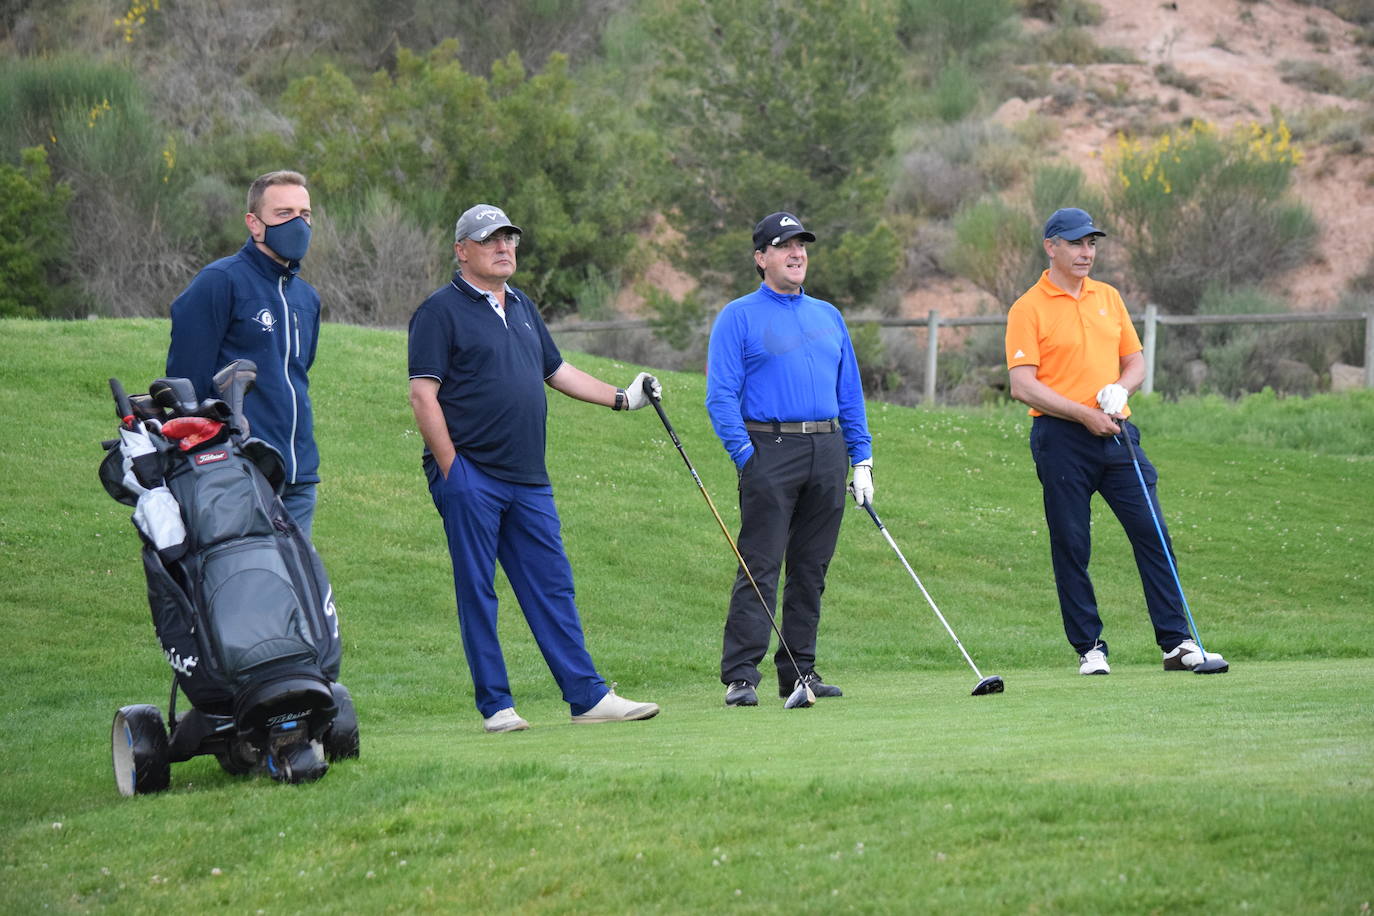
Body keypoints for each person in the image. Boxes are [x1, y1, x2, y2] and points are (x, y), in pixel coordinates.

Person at [407, 203, 661, 733]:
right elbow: (423, 394)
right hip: (471, 474)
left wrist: (623, 399)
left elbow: (557, 370)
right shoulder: (439, 311)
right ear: (462, 251)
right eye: (490, 240)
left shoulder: (521, 305)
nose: (504, 248)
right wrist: (454, 470)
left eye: (509, 240)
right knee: (478, 589)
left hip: (527, 477)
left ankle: (587, 696)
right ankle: (496, 705)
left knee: (552, 585)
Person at [1005, 207, 1219, 675]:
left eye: (1092, 244)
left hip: (1117, 433)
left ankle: (1177, 643)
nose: (1087, 252)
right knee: (1072, 543)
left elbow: (1136, 362)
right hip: (1061, 438)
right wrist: (1083, 413)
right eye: (1077, 243)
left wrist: (1122, 387)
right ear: (1051, 247)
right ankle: (1090, 649)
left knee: (1154, 535)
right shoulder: (1028, 307)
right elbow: (1023, 384)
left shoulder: (1109, 297)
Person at [705, 211, 874, 707]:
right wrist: (744, 456)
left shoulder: (828, 314)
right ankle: (741, 674)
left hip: (827, 448)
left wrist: (860, 458)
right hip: (768, 448)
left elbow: (851, 393)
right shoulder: (738, 315)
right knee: (760, 564)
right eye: (784, 246)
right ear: (761, 258)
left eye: (801, 245)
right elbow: (720, 397)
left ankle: (801, 672)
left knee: (811, 566)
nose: (797, 254)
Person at [167, 170, 322, 539]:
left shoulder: (307, 298)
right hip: (239, 469)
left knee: (296, 592)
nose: (298, 223)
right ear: (254, 223)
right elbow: (186, 382)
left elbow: (299, 372)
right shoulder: (220, 281)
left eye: (305, 214)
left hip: (300, 478)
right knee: (242, 587)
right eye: (284, 213)